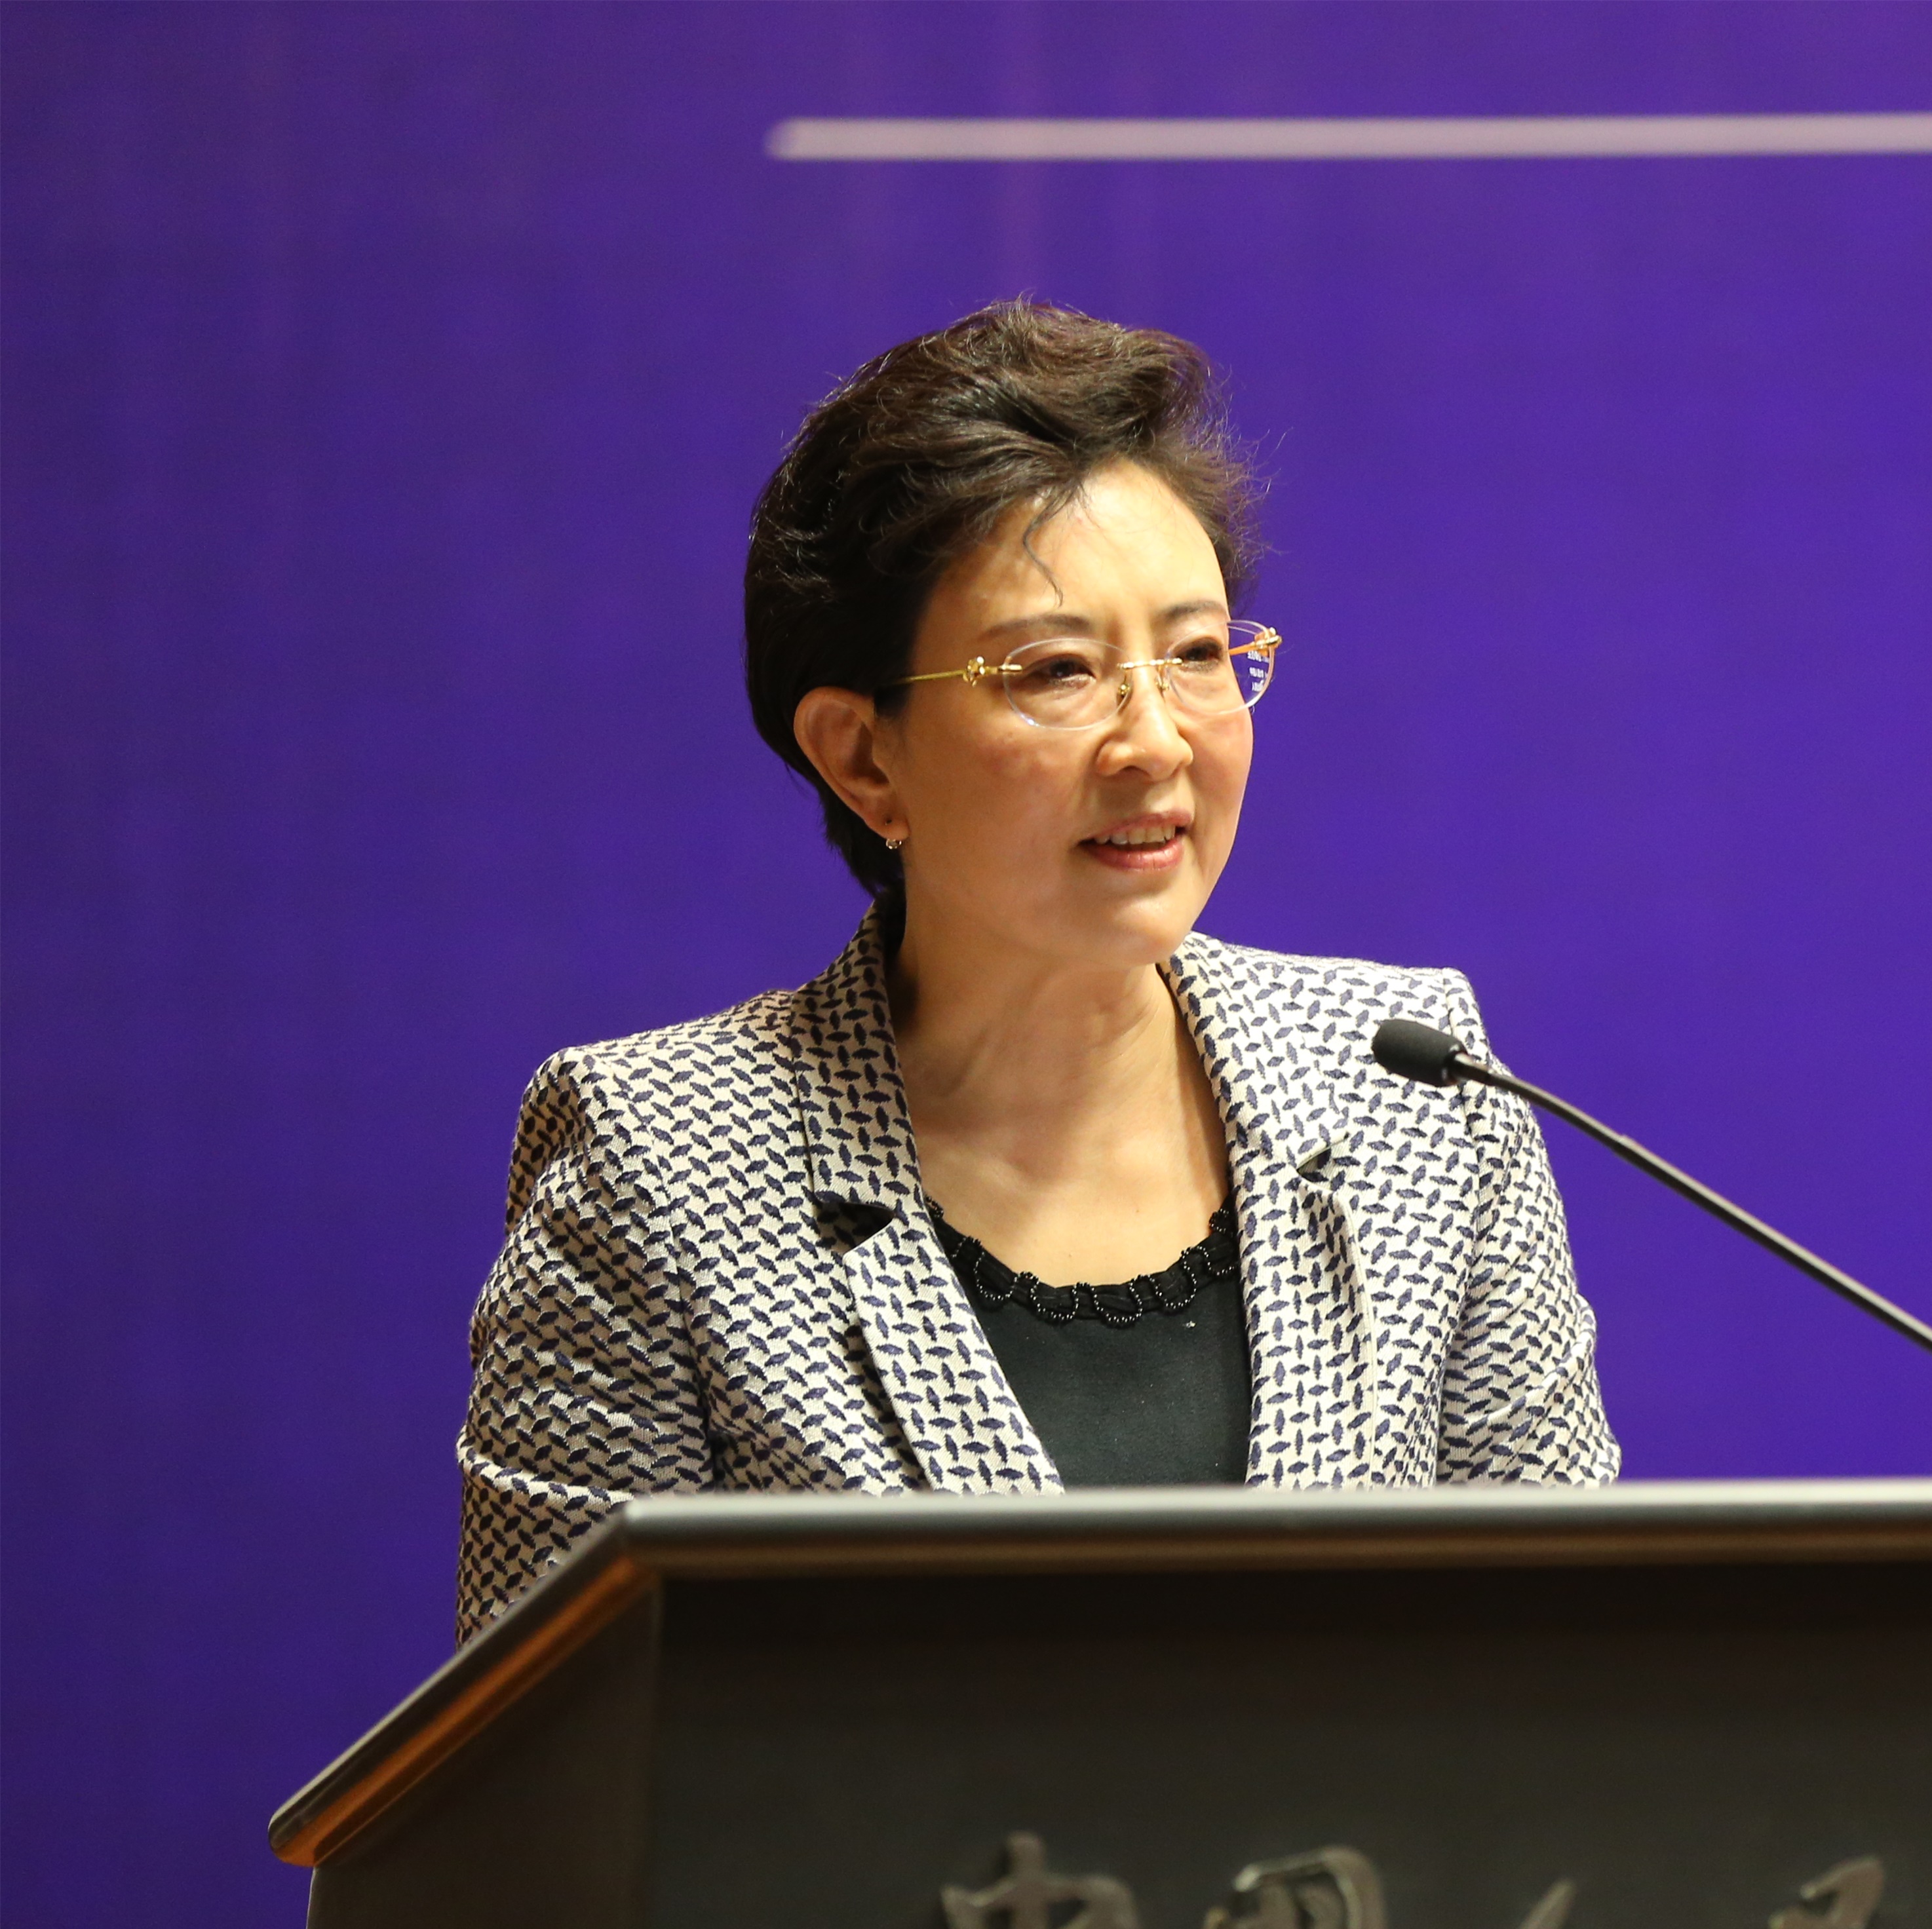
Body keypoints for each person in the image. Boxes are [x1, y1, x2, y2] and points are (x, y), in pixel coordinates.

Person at [454, 303, 1616, 1639]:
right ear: (862, 756)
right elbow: (561, 1750)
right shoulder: (659, 1167)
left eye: (1197, 655)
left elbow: (1569, 1665)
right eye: (1057, 670)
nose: (1155, 742)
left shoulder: (1415, 1087)